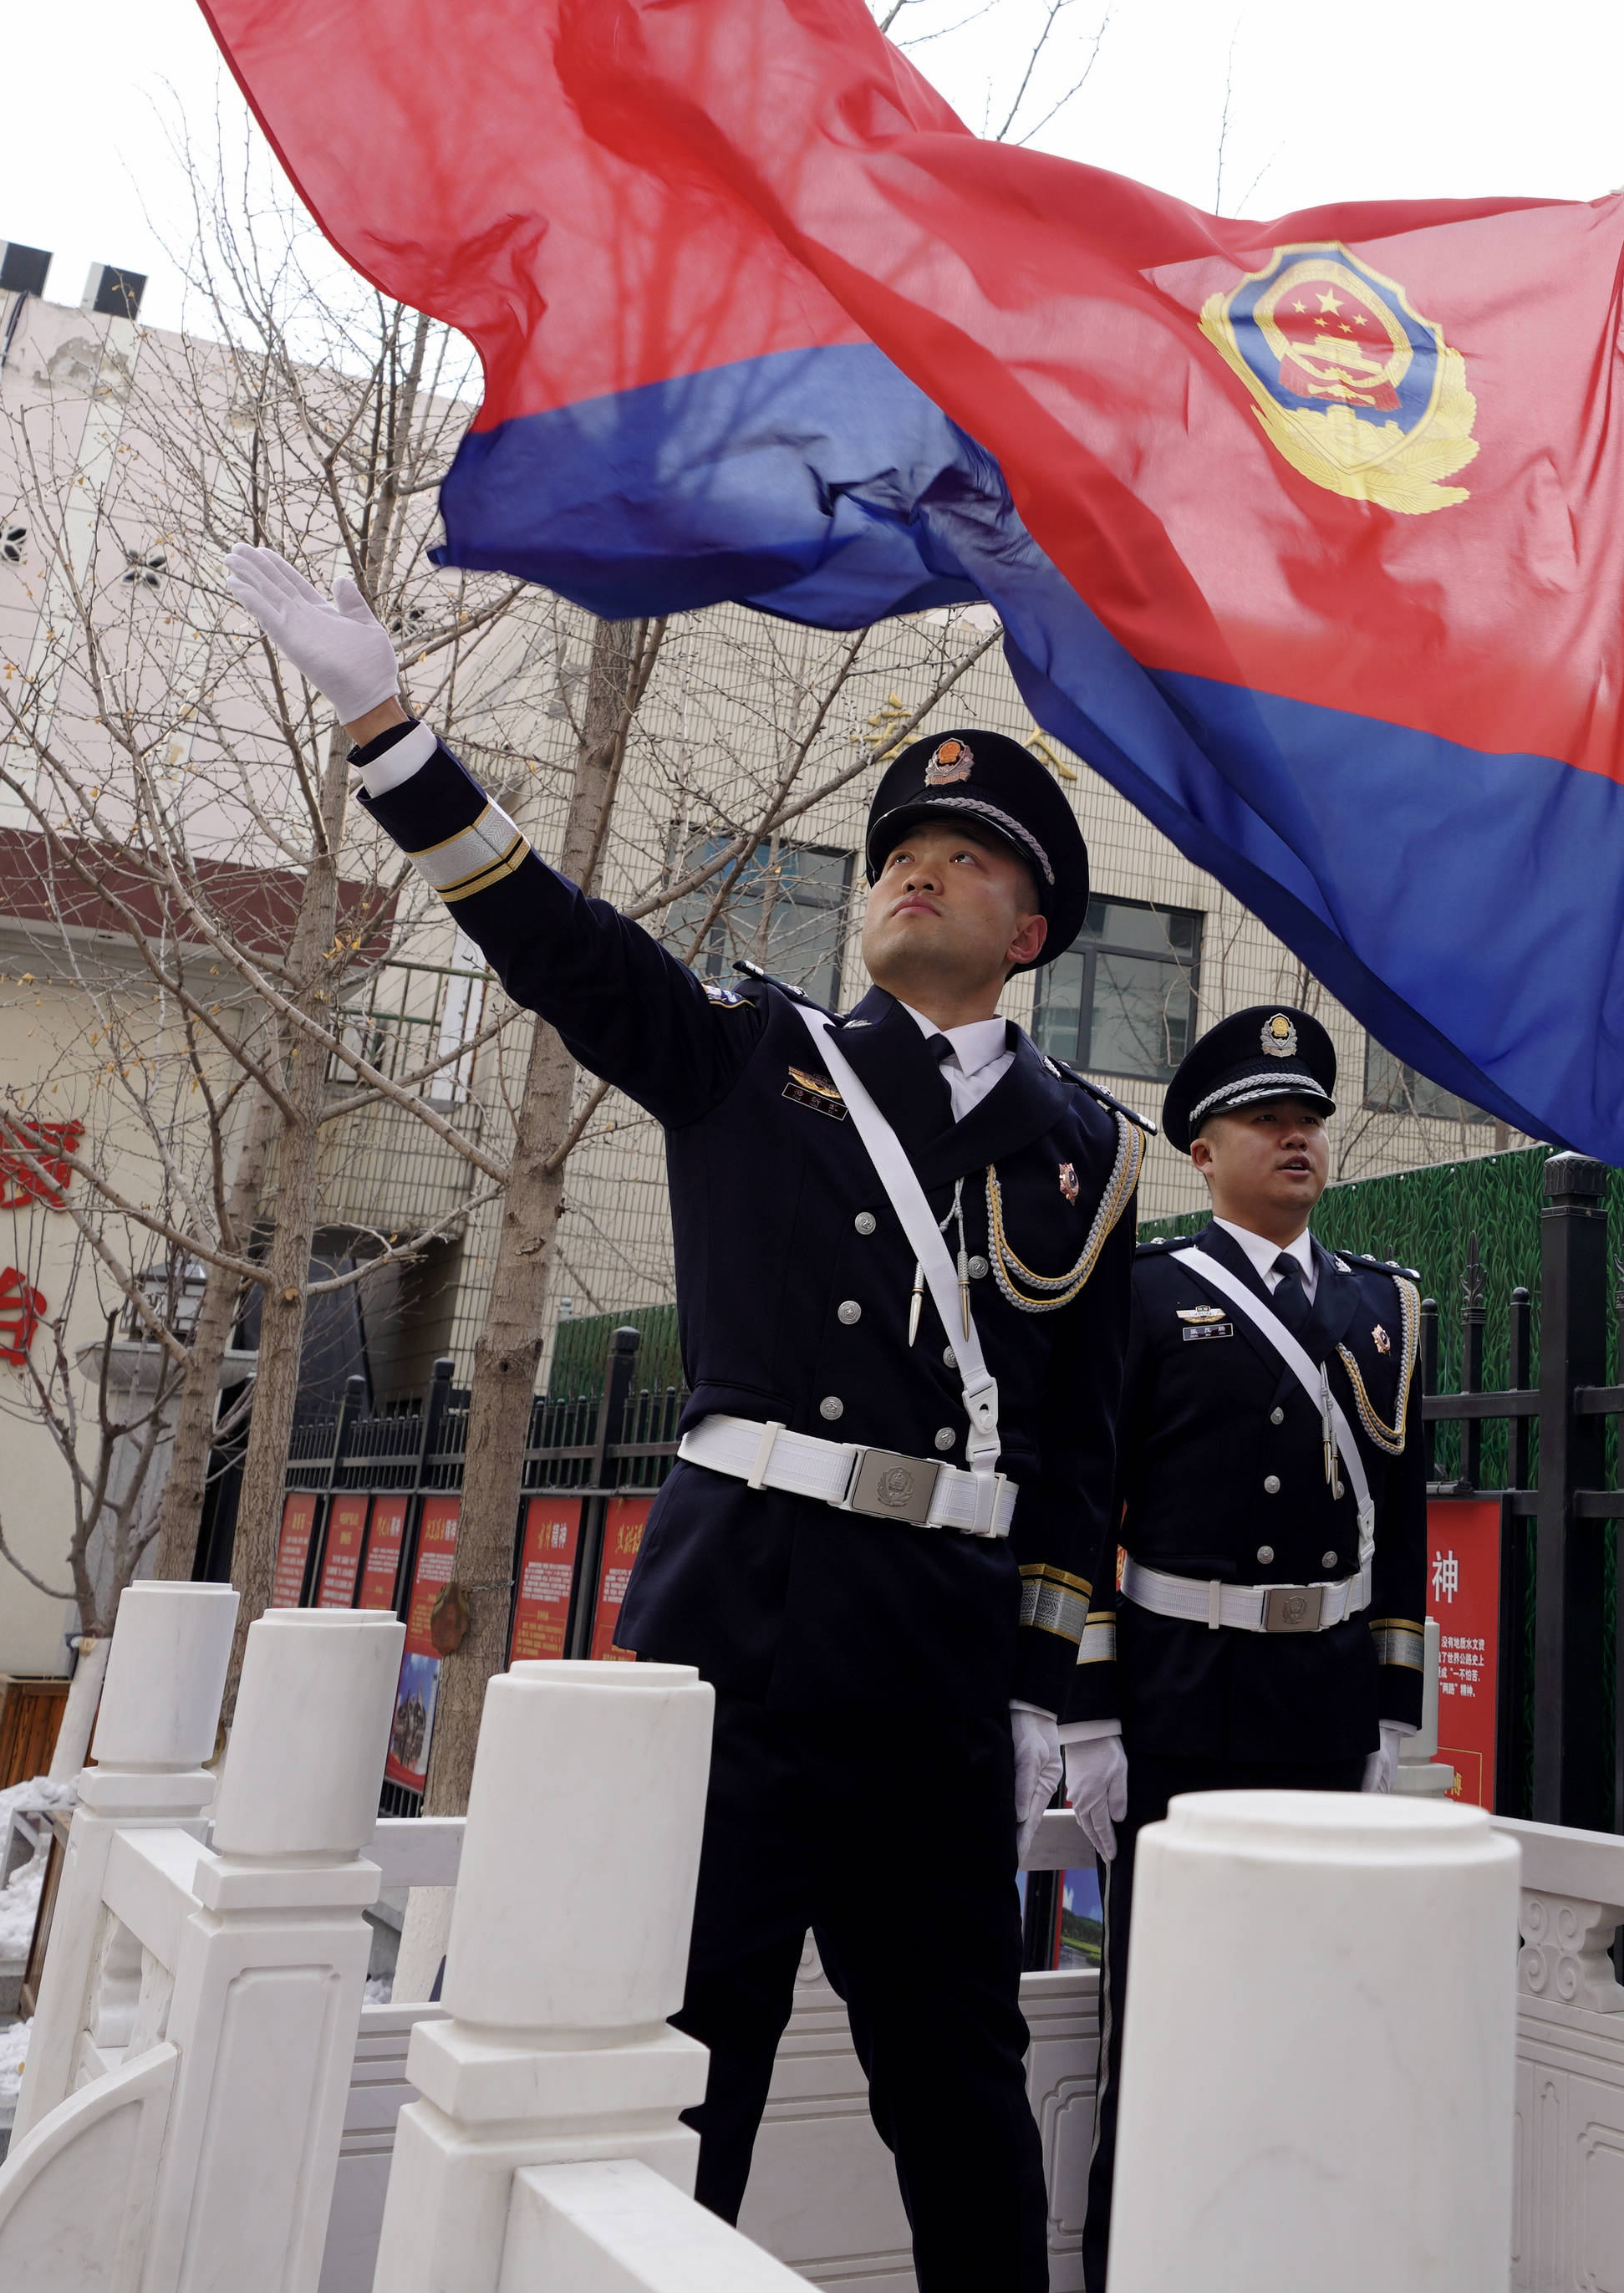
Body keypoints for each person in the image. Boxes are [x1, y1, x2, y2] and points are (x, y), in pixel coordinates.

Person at [226, 549, 1136, 2290]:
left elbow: (1077, 1451)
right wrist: (390, 730)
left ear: (1028, 929)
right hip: (743, 1627)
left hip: (941, 1666)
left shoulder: (1087, 1149)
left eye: (965, 857)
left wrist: (1038, 1692)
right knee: (682, 2059)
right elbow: (556, 941)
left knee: (962, 2087)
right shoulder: (750, 1049)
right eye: (899, 852)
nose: (914, 869)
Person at [1076, 1002, 1426, 2290]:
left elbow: (1398, 1524)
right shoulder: (1148, 1298)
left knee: (1320, 2006)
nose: (1297, 1136)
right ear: (1202, 1150)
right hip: (1184, 1694)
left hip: (1324, 1697)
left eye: (1310, 1118)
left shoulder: (1383, 1306)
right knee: (1168, 2014)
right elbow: (1081, 1509)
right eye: (1265, 1118)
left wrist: (1393, 1720)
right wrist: (1089, 1715)